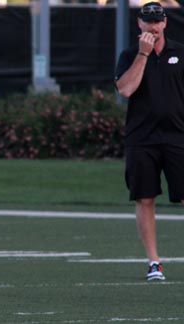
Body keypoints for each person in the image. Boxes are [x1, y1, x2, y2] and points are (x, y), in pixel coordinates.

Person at [114, 1, 184, 281]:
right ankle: (154, 263)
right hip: (141, 138)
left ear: (165, 22)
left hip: (177, 136)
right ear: (139, 24)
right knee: (144, 198)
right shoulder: (129, 54)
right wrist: (142, 55)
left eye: (157, 21)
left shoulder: (180, 52)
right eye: (147, 21)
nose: (153, 26)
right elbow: (127, 89)